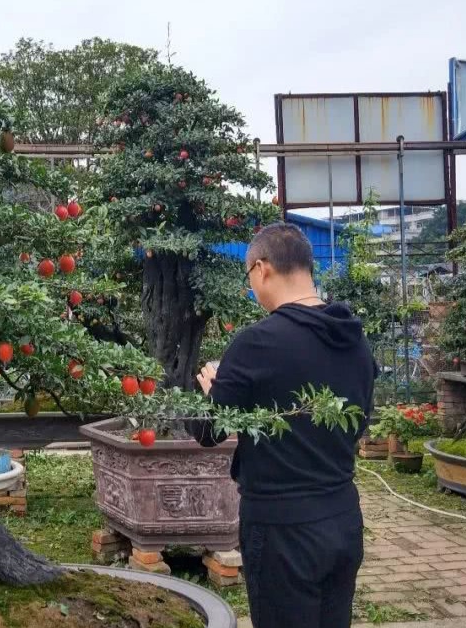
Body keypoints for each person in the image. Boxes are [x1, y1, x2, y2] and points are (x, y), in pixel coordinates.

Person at [189, 222, 375, 628]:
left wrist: (210, 393)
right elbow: (359, 422)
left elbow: (207, 432)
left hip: (281, 529)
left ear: (261, 268)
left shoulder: (257, 343)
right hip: (343, 517)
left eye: (249, 276)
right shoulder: (356, 341)